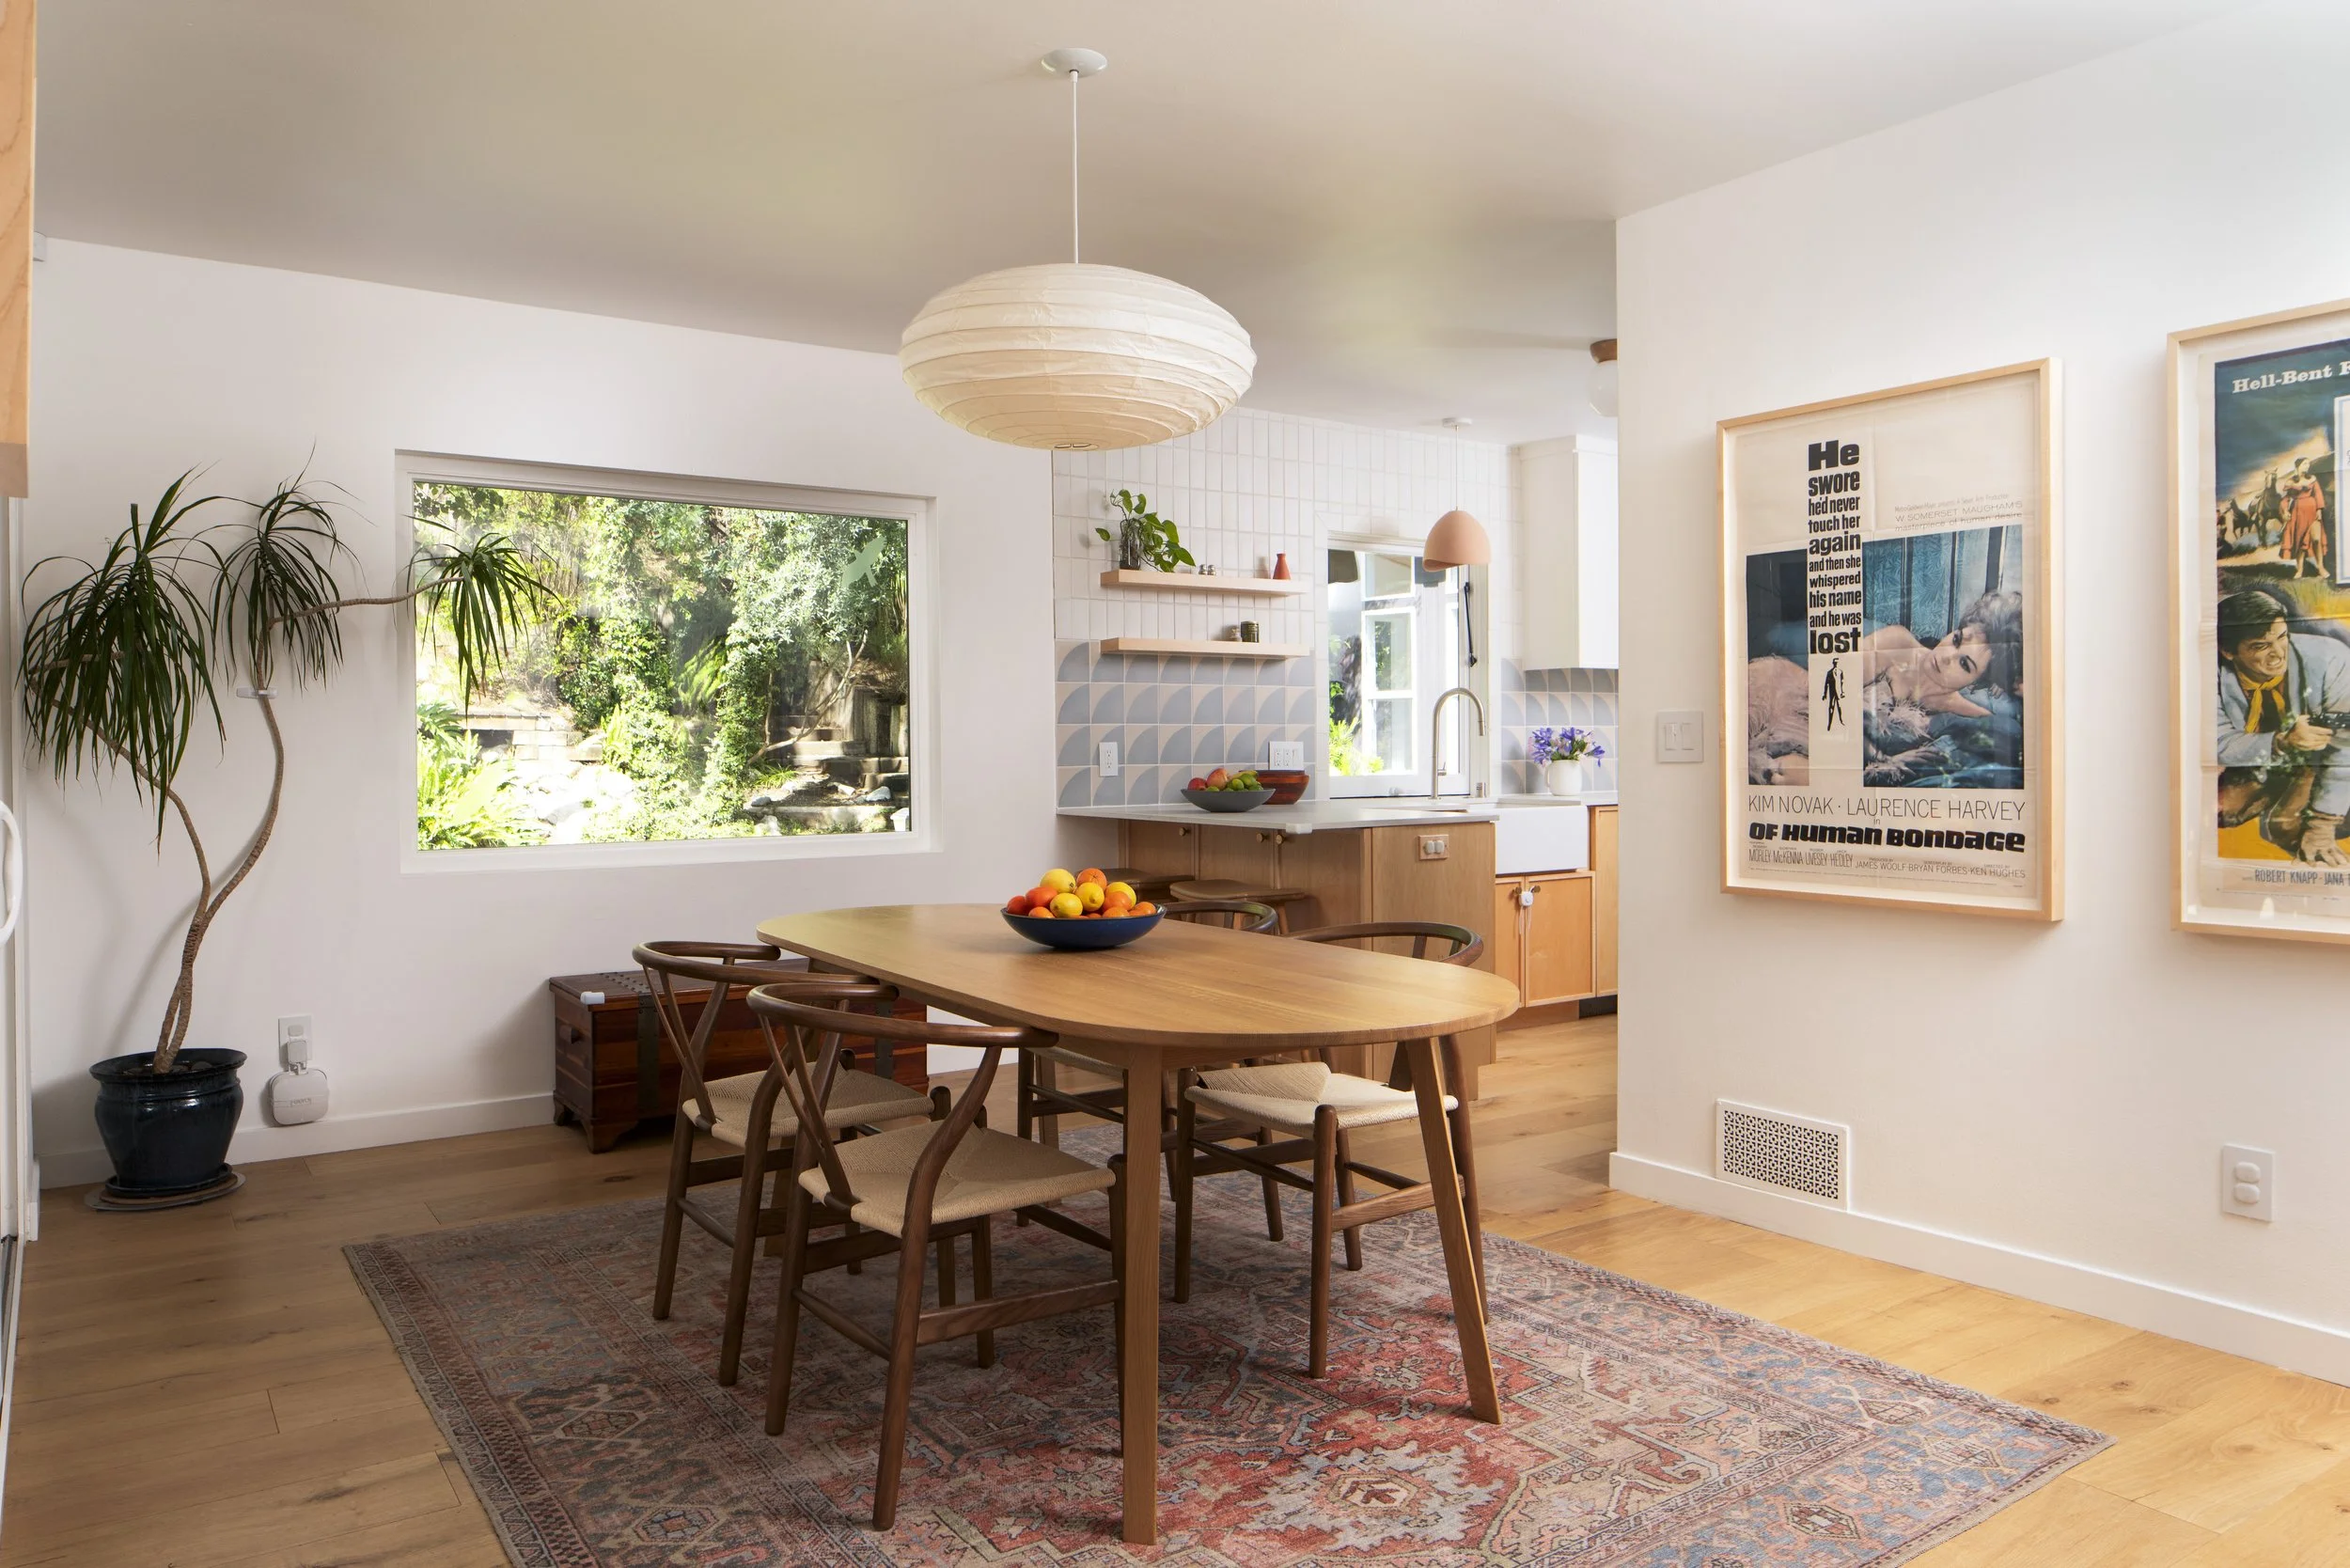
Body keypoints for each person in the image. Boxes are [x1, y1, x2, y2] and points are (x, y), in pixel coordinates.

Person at [2214, 588, 2350, 865]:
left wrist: (2323, 823)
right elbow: (2218, 742)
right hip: (2266, 760)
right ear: (2228, 651)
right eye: (2260, 646)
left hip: (2328, 759)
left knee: (2282, 827)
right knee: (2220, 811)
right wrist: (2281, 742)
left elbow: (2347, 744)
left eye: (2282, 637)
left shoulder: (2331, 658)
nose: (2277, 654)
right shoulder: (2210, 673)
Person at [2280, 458, 2329, 580]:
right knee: (2300, 542)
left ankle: (2321, 567)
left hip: (2313, 512)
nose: (2307, 466)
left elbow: (2318, 494)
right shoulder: (2291, 482)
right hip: (2298, 514)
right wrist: (2285, 510)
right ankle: (2300, 569)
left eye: (2308, 464)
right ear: (2297, 466)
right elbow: (2285, 499)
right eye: (2304, 464)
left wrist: (2319, 510)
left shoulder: (2312, 479)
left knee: (2317, 539)